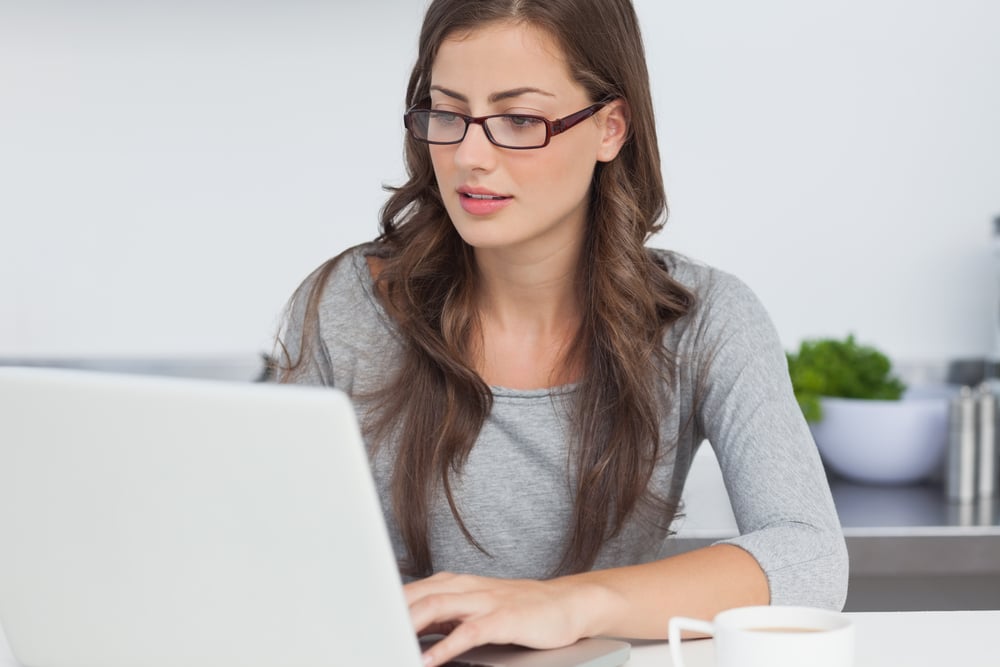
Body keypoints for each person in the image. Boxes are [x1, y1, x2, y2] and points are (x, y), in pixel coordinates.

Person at [274, 1, 848, 665]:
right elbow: (266, 554)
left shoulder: (707, 319)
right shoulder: (341, 306)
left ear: (610, 128)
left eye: (519, 119)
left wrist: (567, 602)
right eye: (447, 111)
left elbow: (808, 556)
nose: (469, 156)